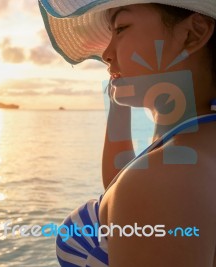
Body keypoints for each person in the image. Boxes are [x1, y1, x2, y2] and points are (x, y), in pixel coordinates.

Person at [38, 0, 216, 266]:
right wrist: (118, 104)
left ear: (193, 34)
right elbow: (121, 181)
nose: (107, 54)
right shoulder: (193, 143)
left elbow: (145, 186)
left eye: (121, 28)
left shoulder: (164, 181)